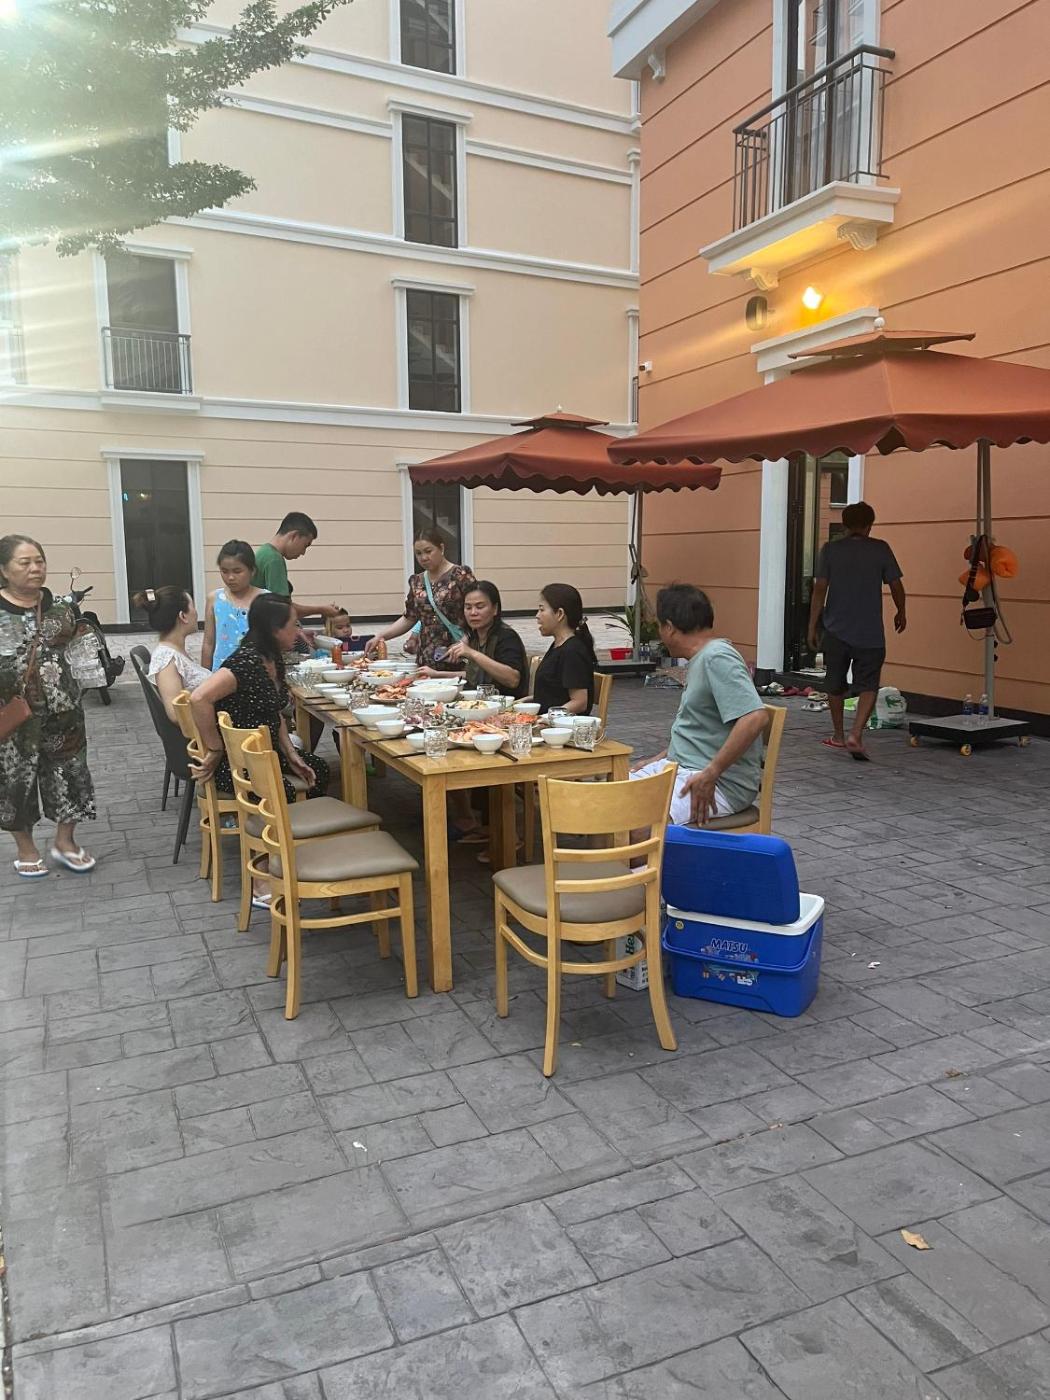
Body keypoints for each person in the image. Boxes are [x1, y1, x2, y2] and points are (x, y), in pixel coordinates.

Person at [0, 534, 96, 877]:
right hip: (13, 718)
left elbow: (80, 652)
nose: (35, 568)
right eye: (25, 562)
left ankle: (65, 842)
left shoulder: (61, 608)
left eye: (39, 561)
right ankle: (26, 849)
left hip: (63, 713)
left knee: (71, 774)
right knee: (15, 782)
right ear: (4, 570)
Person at [631, 584, 768, 826]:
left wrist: (712, 772)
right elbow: (699, 732)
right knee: (605, 802)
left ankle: (654, 852)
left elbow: (755, 717)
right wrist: (657, 759)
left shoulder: (717, 657)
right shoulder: (702, 658)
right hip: (682, 768)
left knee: (635, 823)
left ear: (670, 628)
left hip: (719, 783)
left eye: (660, 626)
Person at [189, 594, 329, 806]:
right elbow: (199, 698)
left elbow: (273, 712)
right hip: (236, 761)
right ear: (275, 630)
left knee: (319, 769)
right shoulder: (245, 662)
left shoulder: (272, 657)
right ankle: (276, 826)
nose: (298, 631)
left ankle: (302, 822)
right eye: (293, 625)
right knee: (282, 791)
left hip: (266, 753)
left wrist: (291, 753)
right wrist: (215, 748)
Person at [807, 500, 906, 761]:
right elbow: (896, 585)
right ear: (869, 525)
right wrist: (901, 611)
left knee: (835, 683)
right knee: (869, 684)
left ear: (845, 524)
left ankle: (839, 735)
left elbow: (820, 589)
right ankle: (856, 734)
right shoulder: (880, 549)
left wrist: (812, 625)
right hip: (870, 632)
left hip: (835, 630)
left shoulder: (830, 550)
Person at [367, 529, 475, 668]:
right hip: (427, 658)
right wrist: (380, 636)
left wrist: (465, 641)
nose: (423, 557)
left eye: (428, 551)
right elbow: (409, 618)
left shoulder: (460, 575)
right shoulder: (417, 581)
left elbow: (479, 612)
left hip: (458, 654)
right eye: (418, 553)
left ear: (441, 548)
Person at [421, 581, 528, 697]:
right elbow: (473, 675)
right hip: (477, 701)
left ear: (495, 609)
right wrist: (436, 674)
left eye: (480, 607)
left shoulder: (506, 636)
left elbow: (513, 680)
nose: (473, 613)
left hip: (504, 702)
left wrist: (472, 653)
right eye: (468, 607)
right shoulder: (474, 636)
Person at [137, 586, 210, 722]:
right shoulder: (167, 658)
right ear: (183, 616)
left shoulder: (175, 652)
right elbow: (176, 714)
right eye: (193, 607)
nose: (196, 612)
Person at [252, 512, 341, 622]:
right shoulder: (274, 559)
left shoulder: (264, 552)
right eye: (305, 545)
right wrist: (321, 609)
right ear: (294, 536)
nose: (303, 552)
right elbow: (283, 610)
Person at [532, 583, 596, 715]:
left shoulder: (573, 651)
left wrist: (545, 718)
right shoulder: (558, 645)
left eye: (542, 610)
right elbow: (551, 694)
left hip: (562, 725)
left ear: (560, 614)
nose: (537, 615)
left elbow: (580, 702)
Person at [201, 541, 266, 670]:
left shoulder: (265, 599)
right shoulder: (214, 599)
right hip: (221, 673)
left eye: (237, 571)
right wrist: (205, 676)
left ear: (252, 571)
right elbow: (208, 643)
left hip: (256, 672)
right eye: (224, 571)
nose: (230, 577)